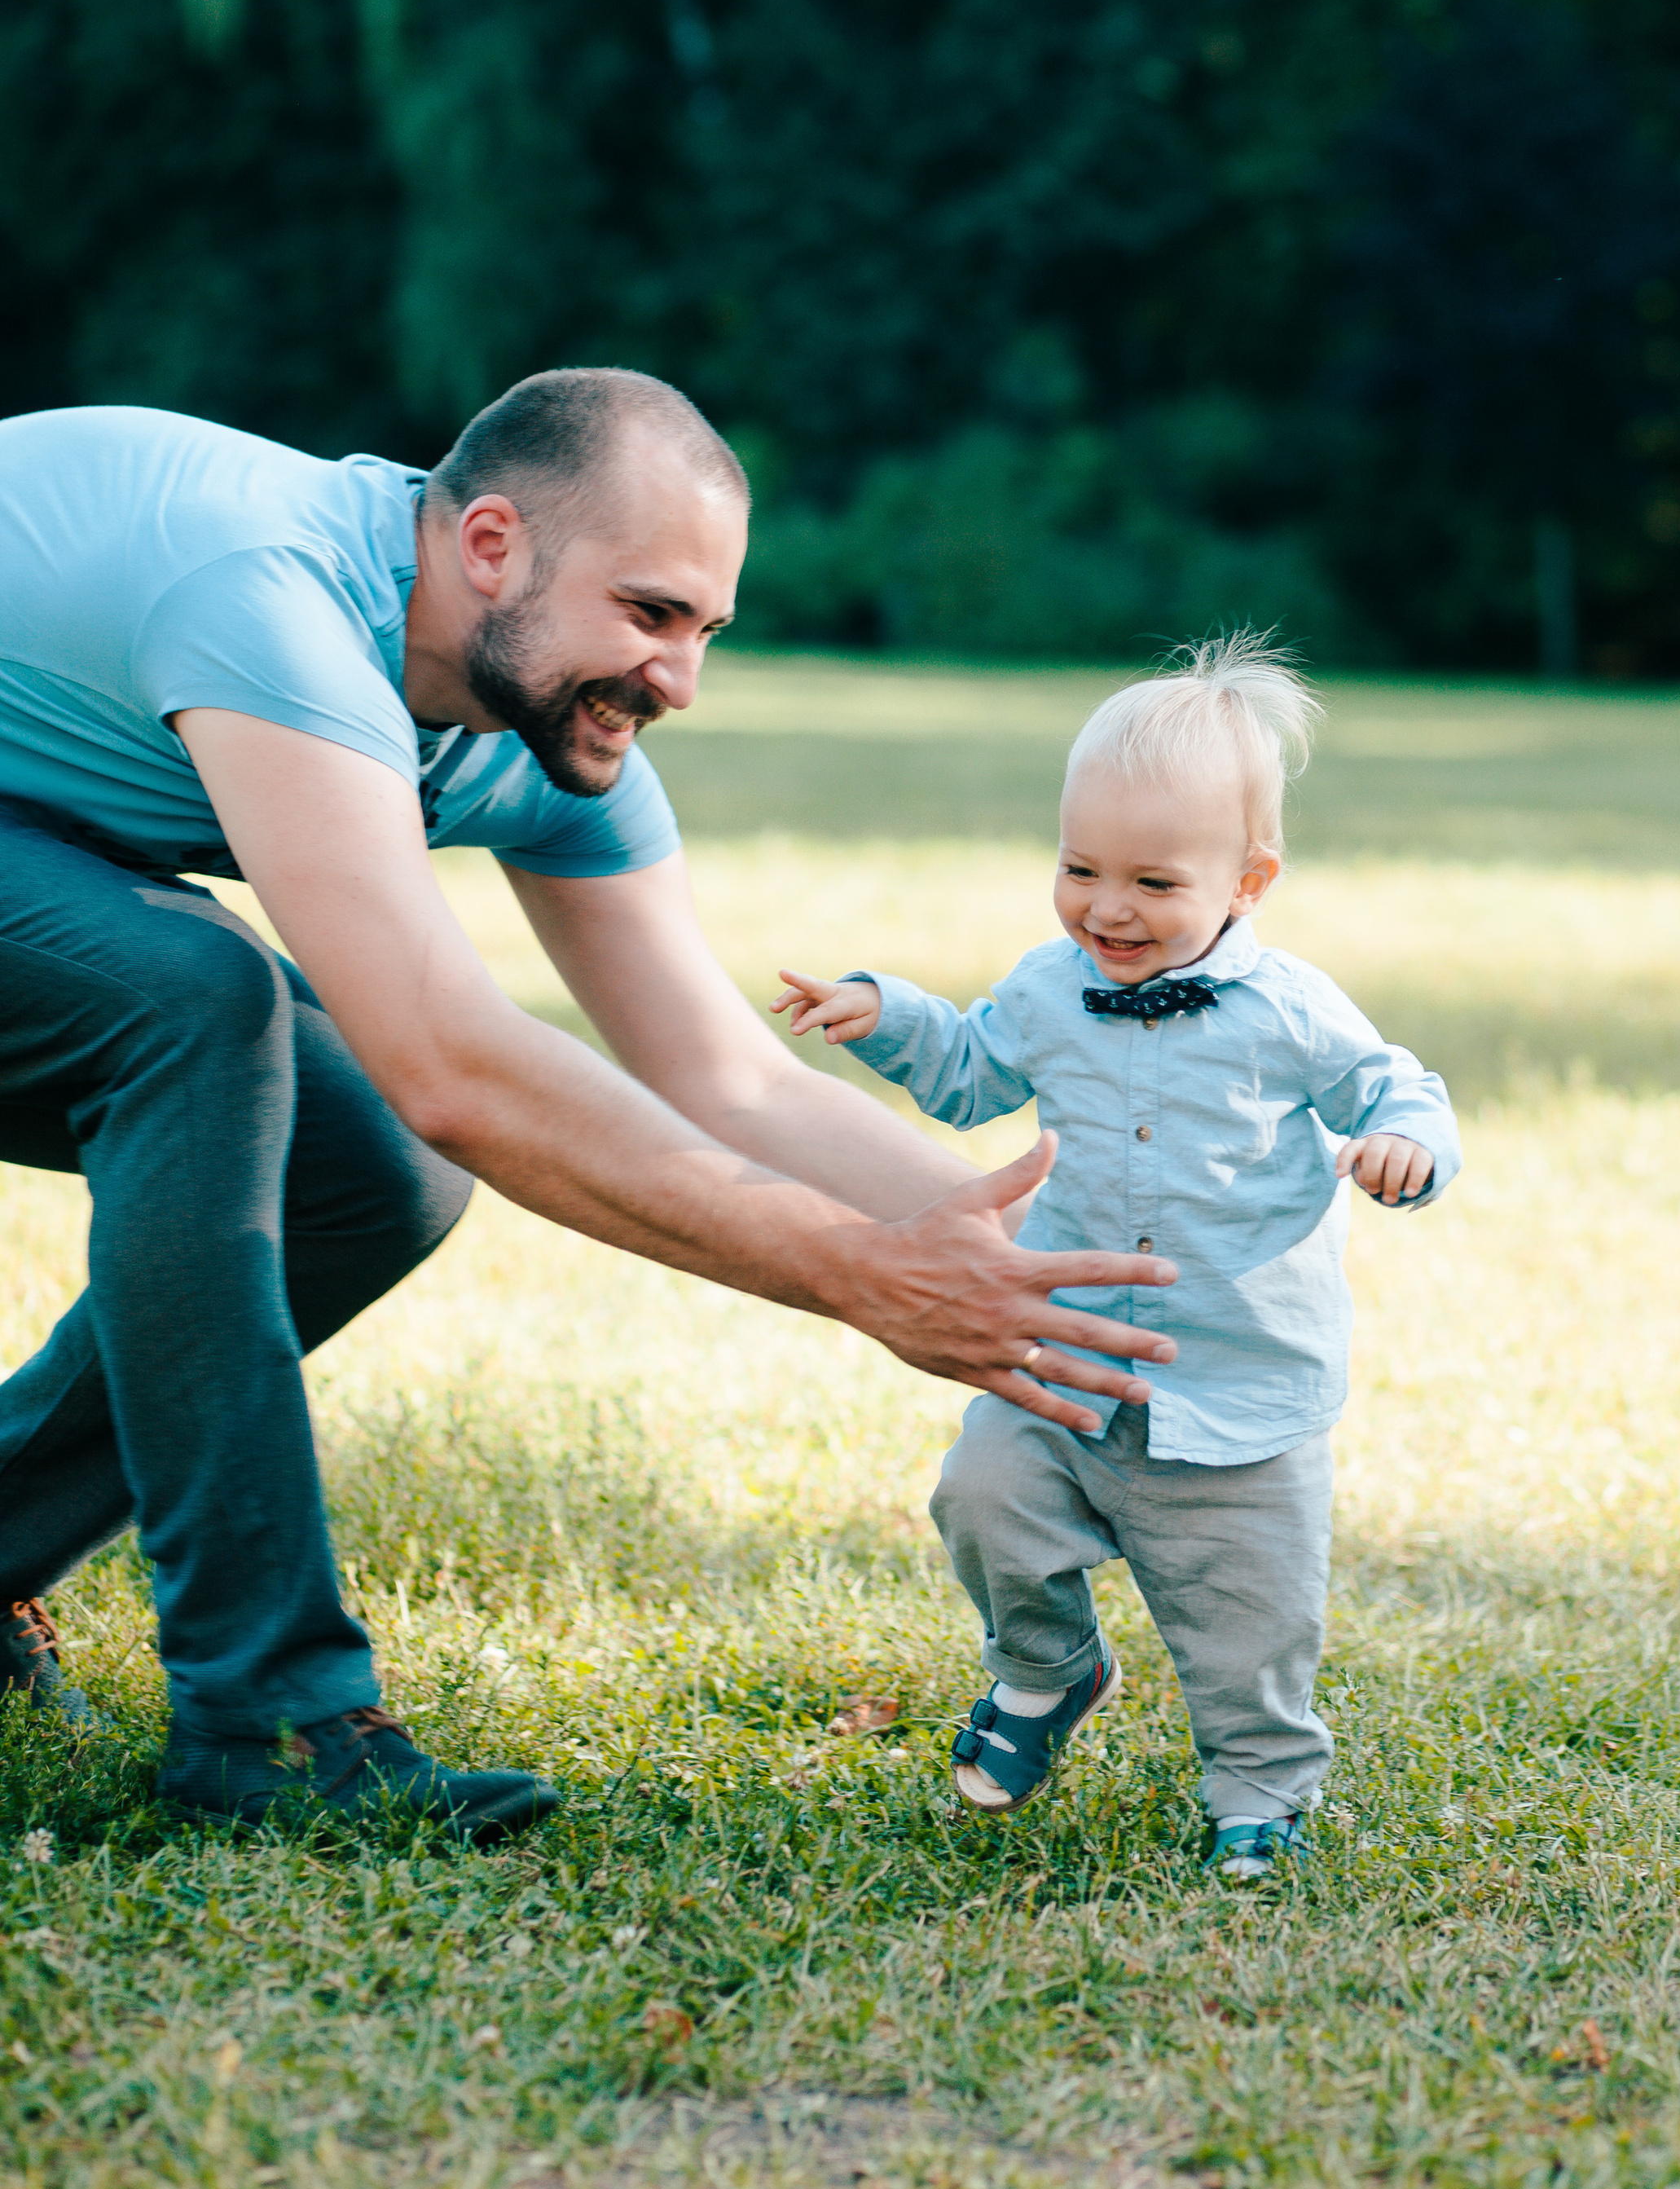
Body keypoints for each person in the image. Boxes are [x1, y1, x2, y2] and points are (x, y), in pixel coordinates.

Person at [0, 373, 1176, 1837]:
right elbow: (451, 1060)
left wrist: (1063, 1262)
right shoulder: (278, 607)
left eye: (704, 631)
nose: (680, 677)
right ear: (490, 545)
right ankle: (272, 1726)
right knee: (194, 1006)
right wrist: (858, 1275)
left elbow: (728, 1076)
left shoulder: (549, 726)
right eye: (650, 612)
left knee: (370, 1170)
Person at [773, 635, 1459, 1884]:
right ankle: (1045, 1672)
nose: (1106, 907)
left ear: (1249, 880)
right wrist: (892, 1015)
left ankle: (1260, 1783)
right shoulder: (1050, 987)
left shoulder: (1292, 1010)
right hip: (1068, 1361)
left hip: (1237, 1384)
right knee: (983, 1499)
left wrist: (1404, 1140)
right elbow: (975, 1068)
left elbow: (1390, 1086)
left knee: (1245, 1619)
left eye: (1152, 880)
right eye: (1079, 867)